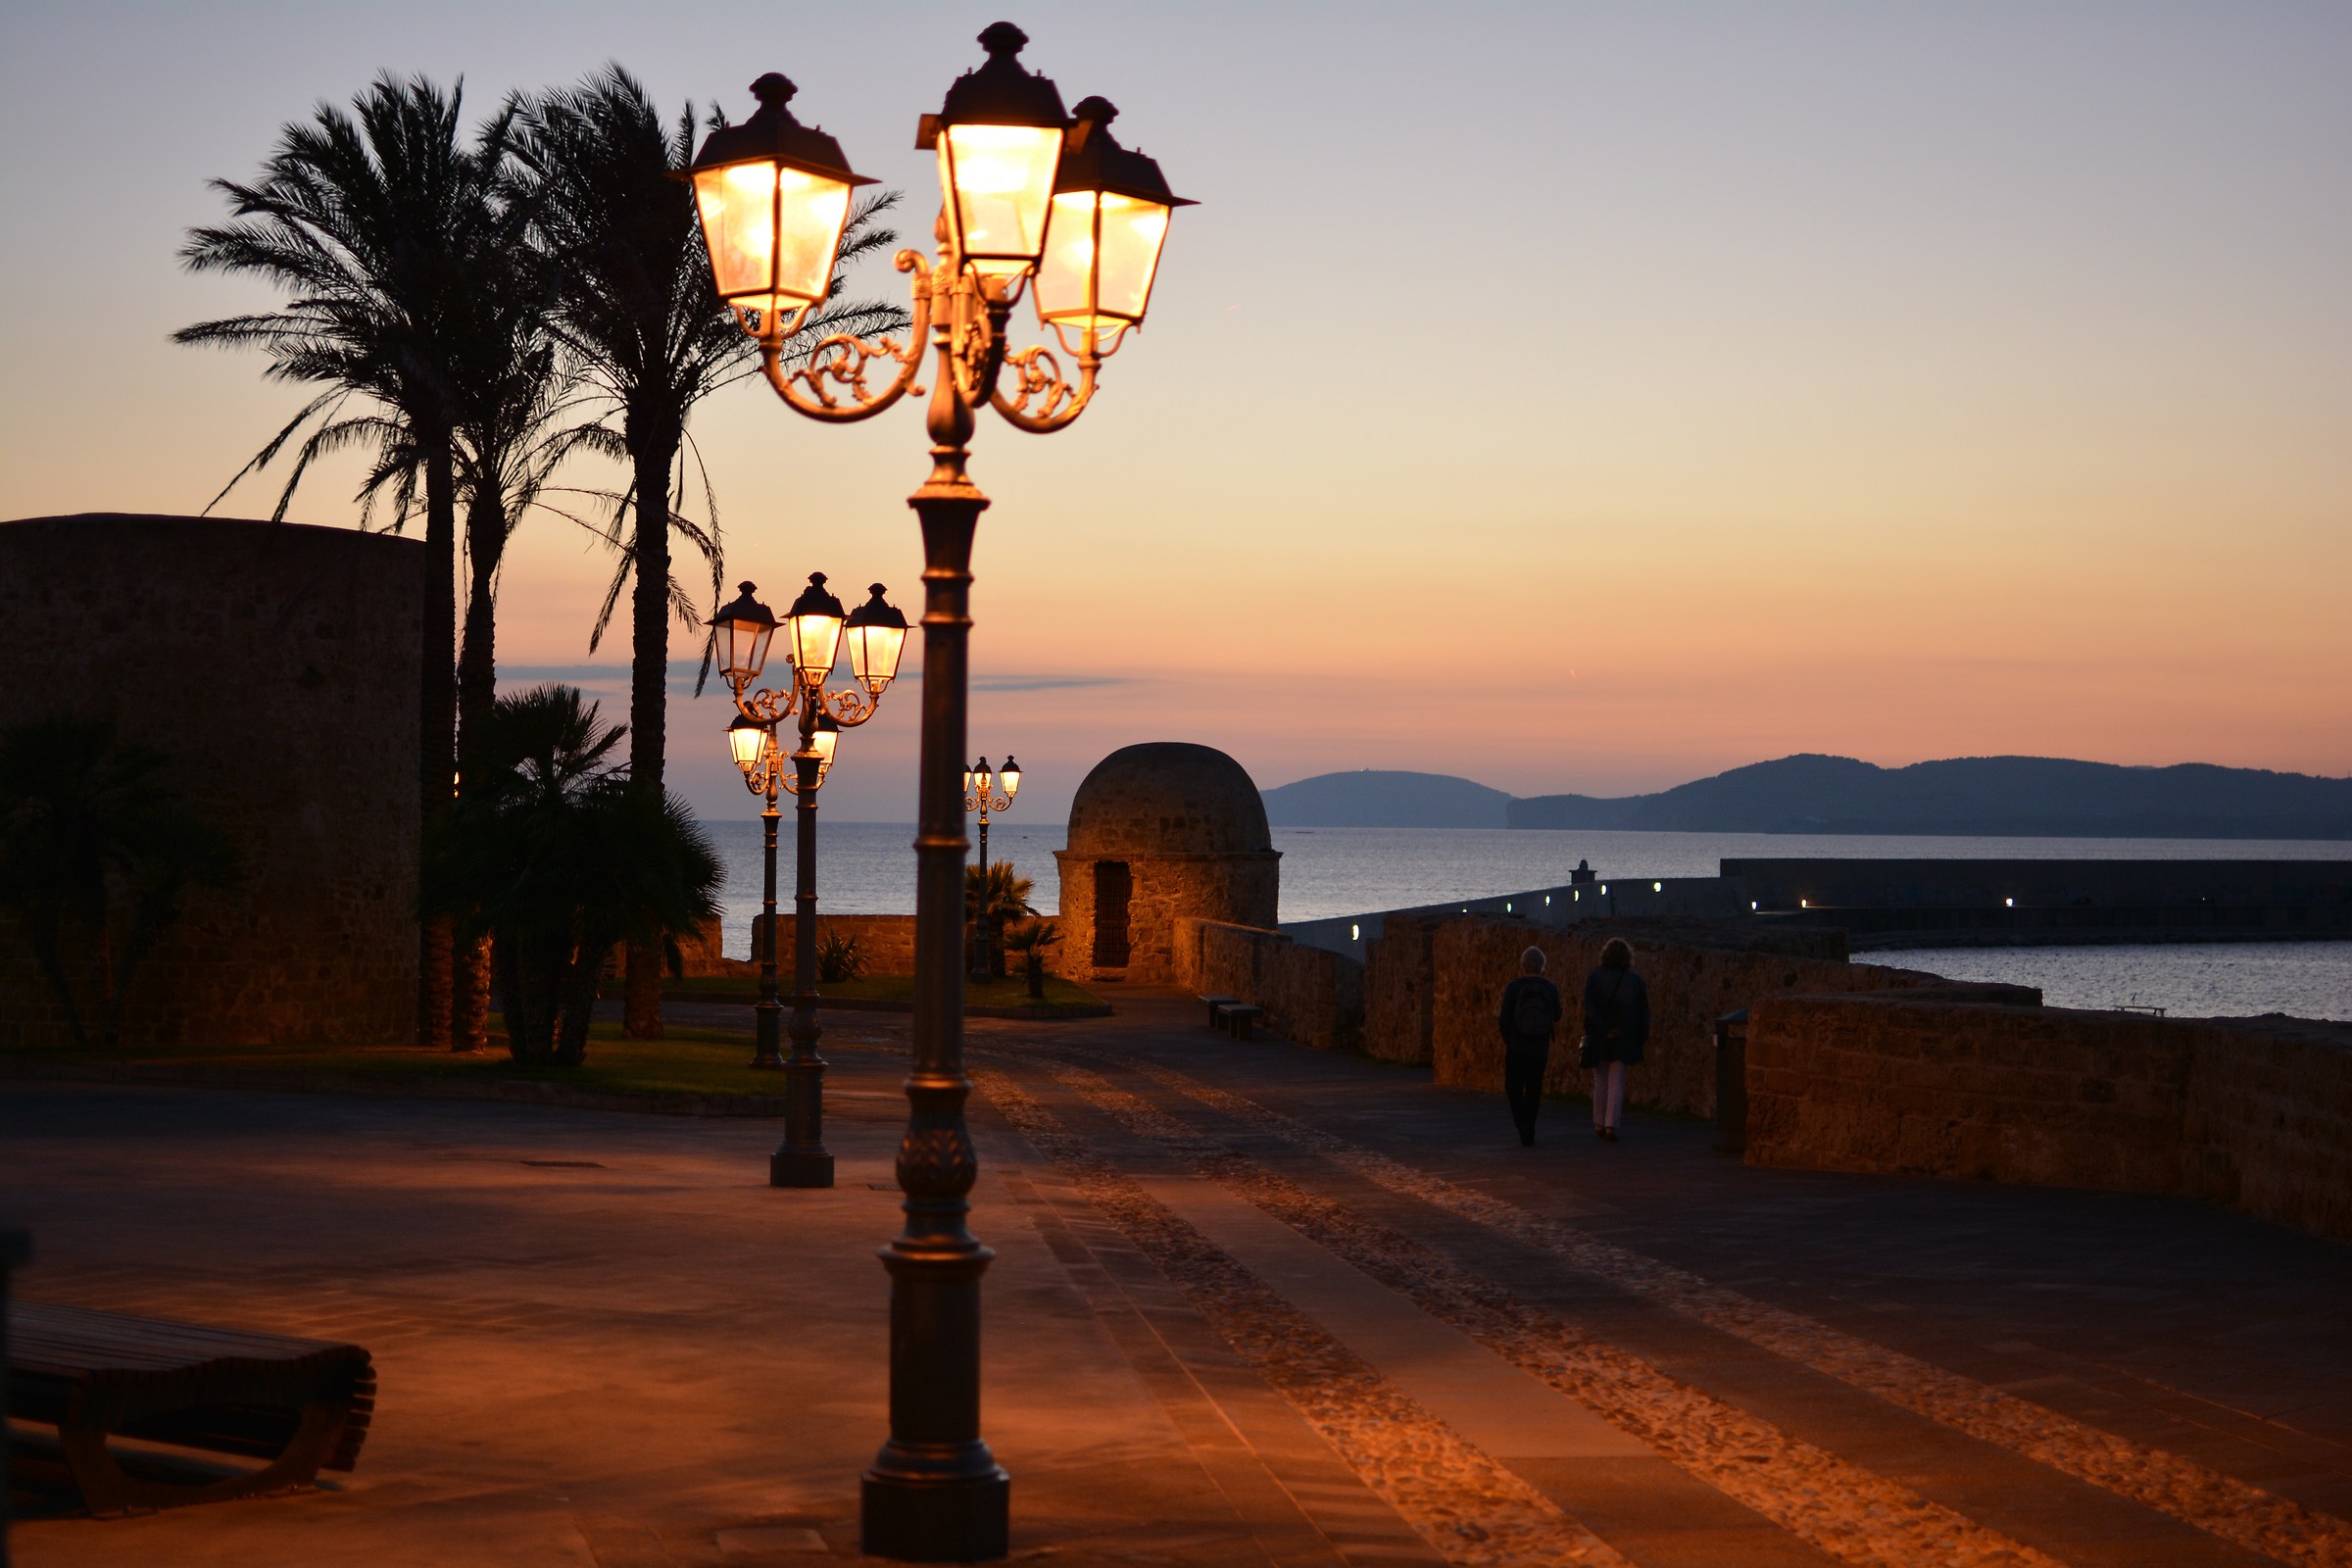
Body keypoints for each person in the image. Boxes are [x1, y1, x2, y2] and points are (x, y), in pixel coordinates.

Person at [1580, 937, 1648, 1142]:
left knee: (1600, 1080)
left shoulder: (1595, 977)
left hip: (1600, 1035)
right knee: (1616, 1081)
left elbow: (1589, 1007)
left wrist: (1602, 1029)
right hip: (1624, 1036)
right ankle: (1611, 1125)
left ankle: (1599, 1122)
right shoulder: (1635, 981)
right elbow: (1642, 1014)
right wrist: (1639, 1038)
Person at [1495, 946, 1562, 1147]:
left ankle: (1522, 1125)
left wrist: (1510, 1040)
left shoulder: (1514, 987)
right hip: (1540, 1048)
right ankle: (1530, 1128)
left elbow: (1504, 1018)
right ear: (1542, 966)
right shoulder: (1550, 988)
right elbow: (1557, 1015)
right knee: (1534, 1089)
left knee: (1513, 1087)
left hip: (1517, 1046)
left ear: (1523, 966)